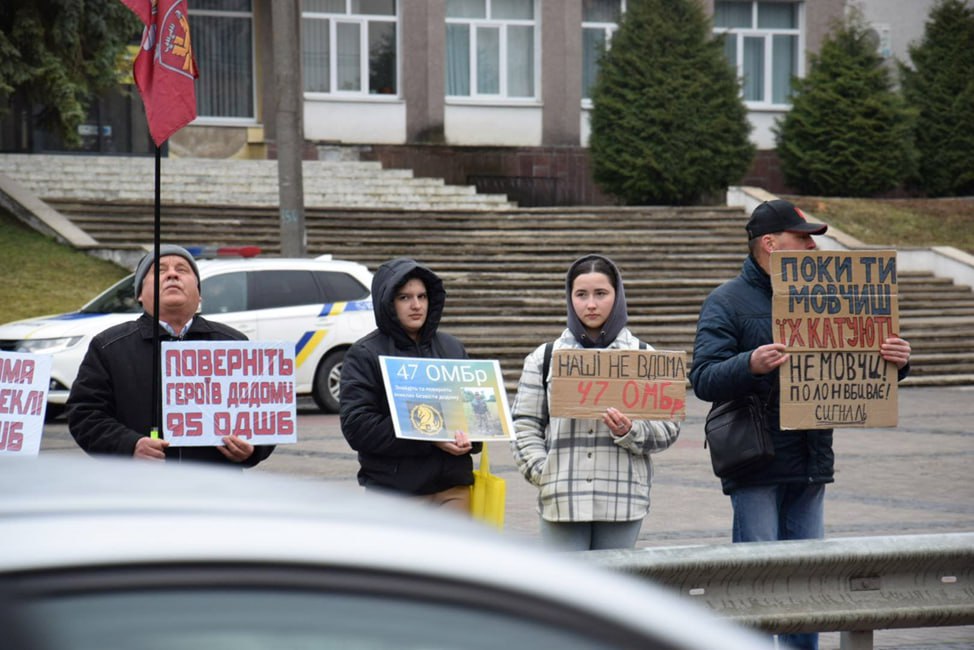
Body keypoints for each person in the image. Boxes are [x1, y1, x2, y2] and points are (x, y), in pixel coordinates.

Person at [689, 199, 911, 650]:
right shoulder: (726, 300)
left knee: (807, 586)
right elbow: (703, 379)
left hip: (810, 460)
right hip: (755, 461)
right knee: (758, 584)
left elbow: (856, 362)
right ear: (770, 244)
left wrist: (895, 362)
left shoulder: (831, 294)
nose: (813, 245)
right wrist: (749, 363)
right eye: (803, 237)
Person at [510, 254, 681, 551]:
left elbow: (669, 426)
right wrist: (542, 471)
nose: (591, 304)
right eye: (581, 295)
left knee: (611, 589)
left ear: (617, 296)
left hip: (623, 499)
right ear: (569, 298)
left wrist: (631, 431)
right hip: (562, 499)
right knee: (564, 589)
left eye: (601, 294)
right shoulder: (545, 358)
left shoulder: (645, 356)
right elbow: (524, 424)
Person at [67, 245, 274, 467]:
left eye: (182, 269)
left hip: (216, 490)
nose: (172, 274)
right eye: (160, 270)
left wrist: (253, 449)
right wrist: (129, 445)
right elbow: (85, 414)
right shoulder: (108, 347)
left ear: (199, 292)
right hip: (138, 490)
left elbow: (266, 415)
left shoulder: (235, 344)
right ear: (139, 293)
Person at [339, 257, 480, 513]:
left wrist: (473, 437)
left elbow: (474, 417)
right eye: (404, 298)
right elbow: (357, 427)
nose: (416, 305)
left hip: (453, 488)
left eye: (422, 296)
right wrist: (430, 438)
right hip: (395, 492)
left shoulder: (451, 347)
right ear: (387, 302)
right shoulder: (365, 353)